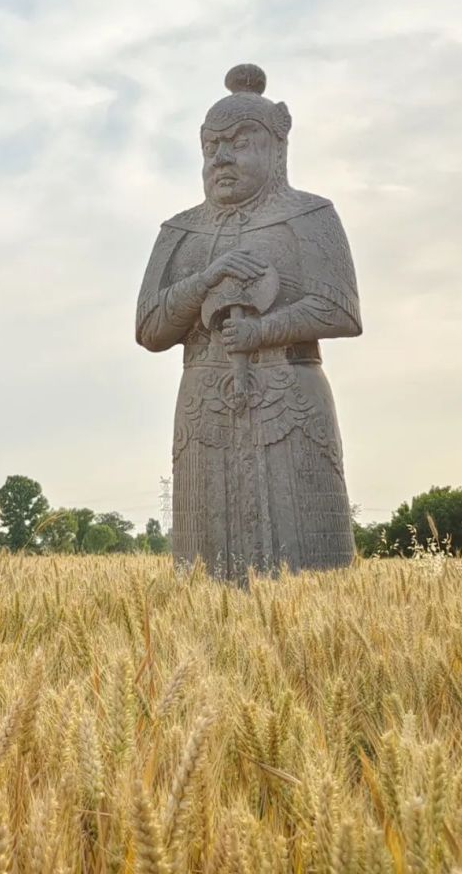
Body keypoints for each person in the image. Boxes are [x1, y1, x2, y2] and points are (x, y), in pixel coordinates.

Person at [136, 64, 361, 578]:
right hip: (205, 403)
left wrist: (261, 331)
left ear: (277, 145)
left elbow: (341, 308)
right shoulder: (180, 231)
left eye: (240, 141)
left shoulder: (310, 215)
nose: (223, 157)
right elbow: (150, 330)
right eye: (212, 146)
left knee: (311, 566)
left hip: (291, 396)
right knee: (203, 569)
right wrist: (204, 281)